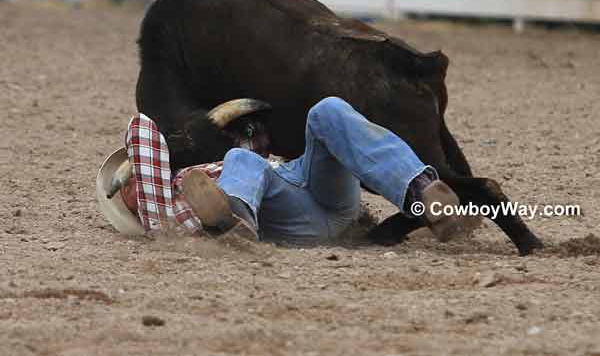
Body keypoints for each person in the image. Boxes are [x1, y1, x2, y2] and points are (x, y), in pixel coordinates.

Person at [96, 97, 478, 246]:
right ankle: (234, 226)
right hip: (290, 219)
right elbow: (142, 128)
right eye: (127, 186)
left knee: (326, 111)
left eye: (130, 177)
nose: (132, 183)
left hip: (301, 186)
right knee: (241, 161)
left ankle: (422, 193)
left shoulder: (192, 179)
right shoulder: (160, 213)